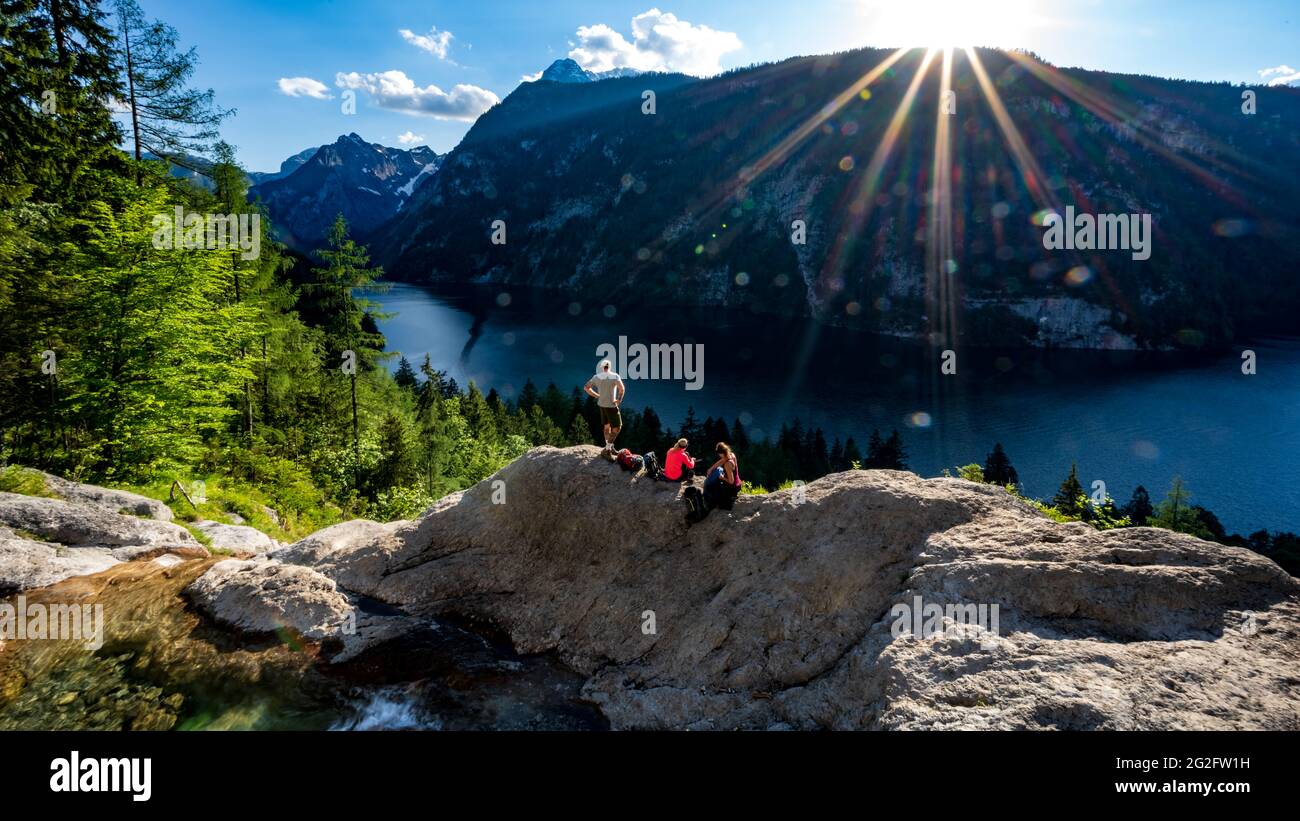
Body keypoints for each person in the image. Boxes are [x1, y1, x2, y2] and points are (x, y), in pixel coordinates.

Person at [584, 359, 625, 454]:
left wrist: (597, 395)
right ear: (609, 367)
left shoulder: (596, 377)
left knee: (607, 426)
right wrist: (619, 400)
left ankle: (608, 447)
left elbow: (586, 387)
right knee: (617, 427)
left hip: (601, 405)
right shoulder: (615, 376)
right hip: (611, 406)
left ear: (601, 367)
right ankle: (607, 449)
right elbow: (622, 389)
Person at [703, 442, 742, 510]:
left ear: (721, 453)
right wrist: (711, 469)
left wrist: (722, 478)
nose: (719, 455)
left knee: (714, 485)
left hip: (733, 487)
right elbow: (721, 461)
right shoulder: (731, 455)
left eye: (719, 453)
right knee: (717, 478)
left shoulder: (727, 464)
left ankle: (715, 503)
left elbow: (731, 481)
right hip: (738, 483)